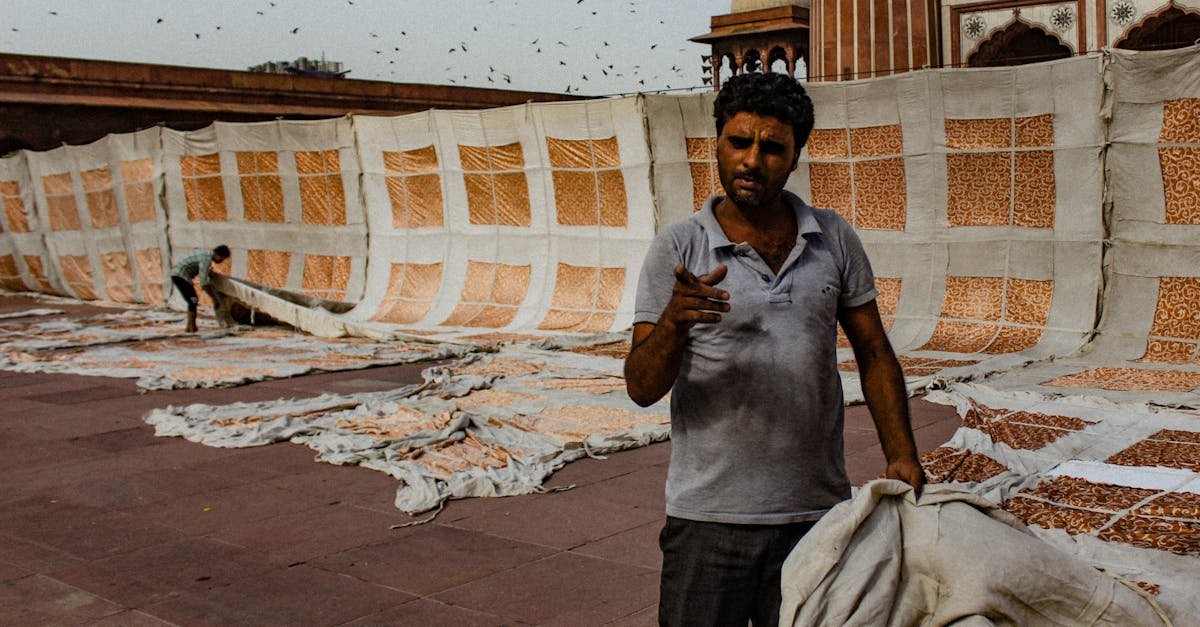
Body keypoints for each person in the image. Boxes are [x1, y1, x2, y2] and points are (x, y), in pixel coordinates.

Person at [624, 73, 924, 627]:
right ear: (716, 142)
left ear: (795, 156)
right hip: (709, 519)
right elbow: (641, 387)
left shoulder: (832, 238)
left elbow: (874, 352)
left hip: (816, 514)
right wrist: (675, 320)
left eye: (772, 148)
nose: (752, 160)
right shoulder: (679, 247)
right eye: (739, 142)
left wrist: (901, 453)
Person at [170, 245, 230, 333]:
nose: (221, 261)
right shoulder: (206, 259)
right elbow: (204, 283)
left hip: (178, 274)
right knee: (193, 300)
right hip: (180, 275)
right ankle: (191, 327)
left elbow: (203, 271)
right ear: (217, 255)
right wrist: (214, 299)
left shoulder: (206, 254)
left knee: (193, 300)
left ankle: (191, 326)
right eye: (222, 258)